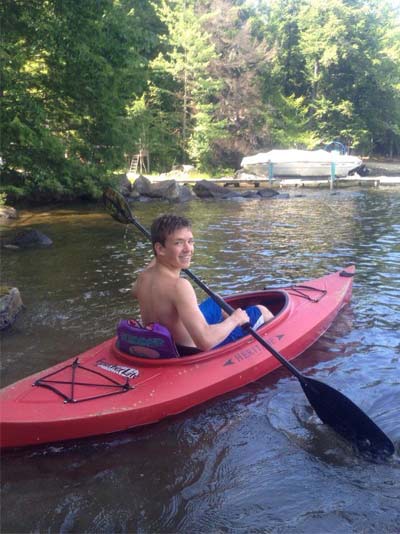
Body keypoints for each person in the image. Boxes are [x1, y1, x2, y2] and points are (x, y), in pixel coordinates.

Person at [132, 214, 273, 351]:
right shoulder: (179, 286)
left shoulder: (143, 277)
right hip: (191, 351)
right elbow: (205, 342)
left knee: (216, 301)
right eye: (178, 243)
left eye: (190, 241)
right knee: (262, 311)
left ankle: (229, 332)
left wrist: (165, 252)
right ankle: (244, 341)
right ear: (160, 249)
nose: (188, 249)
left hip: (164, 346)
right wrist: (235, 319)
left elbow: (137, 289)